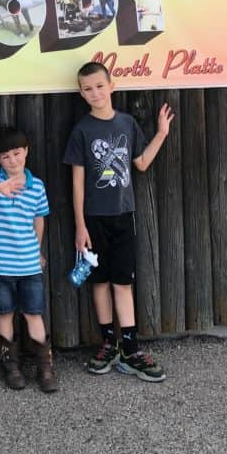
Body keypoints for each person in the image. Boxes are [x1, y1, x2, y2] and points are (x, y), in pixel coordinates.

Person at [63, 61, 173, 381]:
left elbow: (140, 163)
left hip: (124, 215)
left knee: (122, 281)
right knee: (99, 282)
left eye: (99, 85)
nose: (95, 93)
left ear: (112, 85)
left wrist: (162, 133)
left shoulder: (126, 124)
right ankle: (108, 344)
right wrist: (80, 225)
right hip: (94, 218)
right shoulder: (81, 130)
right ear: (82, 94)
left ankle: (130, 347)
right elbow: (77, 182)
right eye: (87, 89)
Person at [0, 127, 58, 393]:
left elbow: (39, 218)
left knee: (34, 313)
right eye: (5, 156)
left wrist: (38, 249)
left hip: (29, 265)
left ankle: (45, 367)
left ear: (26, 151)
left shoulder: (37, 185)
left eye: (17, 153)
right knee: (4, 314)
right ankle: (12, 367)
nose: (13, 160)